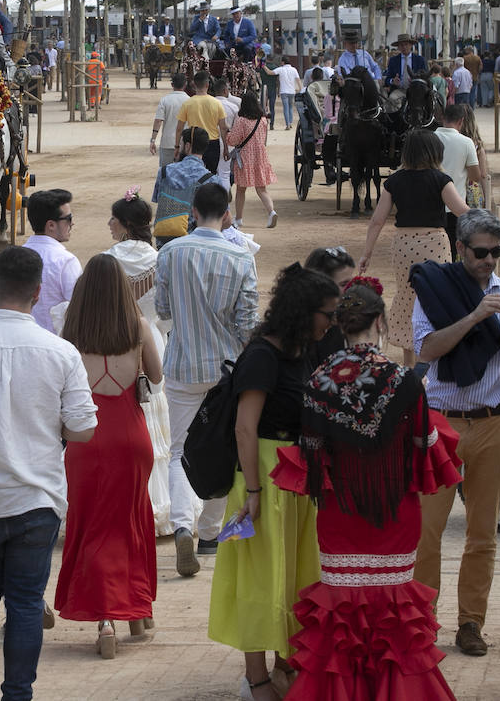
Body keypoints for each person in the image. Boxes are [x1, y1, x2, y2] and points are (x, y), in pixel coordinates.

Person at [270, 277, 462, 700]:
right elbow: (423, 451)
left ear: (341, 325)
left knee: (343, 616)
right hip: (394, 512)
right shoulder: (406, 380)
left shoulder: (319, 382)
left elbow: (313, 459)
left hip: (341, 514)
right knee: (396, 614)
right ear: (379, 321)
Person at [0, 246, 96, 697]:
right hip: (37, 501)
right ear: (37, 294)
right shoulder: (61, 352)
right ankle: (18, 693)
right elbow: (84, 429)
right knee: (27, 602)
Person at [208, 264, 340, 701]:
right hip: (263, 470)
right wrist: (252, 491)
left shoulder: (302, 350)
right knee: (261, 579)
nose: (331, 323)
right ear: (305, 312)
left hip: (295, 473)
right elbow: (246, 428)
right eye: (327, 314)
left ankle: (286, 664)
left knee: (296, 576)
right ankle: (258, 678)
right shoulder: (263, 355)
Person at [412, 208, 500, 658]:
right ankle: (423, 622)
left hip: (494, 420)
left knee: (483, 534)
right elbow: (427, 350)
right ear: (460, 248)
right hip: (442, 420)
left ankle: (470, 623)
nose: (488, 260)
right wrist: (476, 316)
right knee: (427, 532)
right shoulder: (437, 290)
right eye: (481, 252)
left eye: (496, 252)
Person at [54, 253, 162, 657]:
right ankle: (136, 610)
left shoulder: (71, 333)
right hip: (131, 437)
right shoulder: (137, 327)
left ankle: (105, 620)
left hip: (85, 439)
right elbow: (156, 375)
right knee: (130, 521)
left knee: (92, 526)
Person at [155, 183, 258, 576]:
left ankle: (182, 525)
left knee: (180, 450)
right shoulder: (240, 256)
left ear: (192, 213)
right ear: (227, 214)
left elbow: (163, 309)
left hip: (182, 366)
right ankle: (211, 532)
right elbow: (247, 322)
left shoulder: (170, 253)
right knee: (224, 448)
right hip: (226, 369)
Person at [359, 131, 470, 366]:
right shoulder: (441, 180)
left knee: (407, 295)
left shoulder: (395, 180)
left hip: (403, 245)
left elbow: (377, 220)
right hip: (434, 244)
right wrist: (495, 224)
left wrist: (366, 253)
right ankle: (428, 358)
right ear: (435, 152)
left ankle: (409, 361)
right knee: (434, 297)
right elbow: (463, 212)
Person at [104, 191, 174, 536]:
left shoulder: (107, 261)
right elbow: (165, 314)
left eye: (113, 219)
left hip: (113, 349)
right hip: (152, 343)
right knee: (152, 425)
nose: (109, 224)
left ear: (125, 224)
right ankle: (155, 508)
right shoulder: (160, 260)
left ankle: (120, 506)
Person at [21, 189, 80, 333]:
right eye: (68, 218)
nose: (72, 224)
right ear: (51, 225)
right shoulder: (66, 261)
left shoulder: (16, 256)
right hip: (55, 346)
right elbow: (79, 309)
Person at [152, 127, 215, 246]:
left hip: (165, 239)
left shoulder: (164, 171)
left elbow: (157, 199)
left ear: (187, 146)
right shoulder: (211, 179)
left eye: (179, 144)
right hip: (194, 241)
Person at [224, 91, 276, 229]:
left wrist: (227, 134)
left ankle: (239, 218)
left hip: (245, 157)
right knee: (261, 188)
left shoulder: (241, 120)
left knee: (241, 189)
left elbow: (234, 140)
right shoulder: (263, 120)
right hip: (260, 156)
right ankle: (271, 212)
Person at [435, 105, 482, 256]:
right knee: (453, 250)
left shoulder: (430, 138)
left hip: (432, 206)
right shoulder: (467, 142)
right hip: (456, 206)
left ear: (442, 118)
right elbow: (476, 176)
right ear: (461, 121)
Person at [303, 246, 356, 369]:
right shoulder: (302, 328)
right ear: (321, 284)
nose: (351, 289)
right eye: (344, 284)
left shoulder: (346, 318)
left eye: (351, 282)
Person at [174, 71, 229, 175]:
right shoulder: (217, 103)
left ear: (194, 85)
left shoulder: (187, 103)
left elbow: (179, 129)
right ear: (208, 85)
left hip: (194, 143)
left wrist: (177, 147)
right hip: (212, 143)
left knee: (193, 174)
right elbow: (223, 128)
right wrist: (225, 147)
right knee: (210, 175)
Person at [150, 72, 192, 171]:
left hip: (167, 143)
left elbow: (158, 121)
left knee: (165, 173)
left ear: (172, 85)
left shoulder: (165, 100)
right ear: (185, 84)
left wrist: (153, 140)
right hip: (184, 144)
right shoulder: (190, 101)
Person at [457, 105, 492, 210]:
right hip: (473, 192)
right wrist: (487, 199)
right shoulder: (477, 146)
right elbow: (483, 175)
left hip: (457, 188)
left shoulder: (455, 142)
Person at [272, 56, 302, 130]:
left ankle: (287, 124)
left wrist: (263, 66)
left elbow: (270, 72)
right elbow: (298, 80)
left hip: (284, 91)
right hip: (292, 91)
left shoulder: (280, 69)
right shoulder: (294, 69)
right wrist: (300, 89)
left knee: (286, 108)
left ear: (283, 62)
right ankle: (290, 122)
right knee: (290, 107)